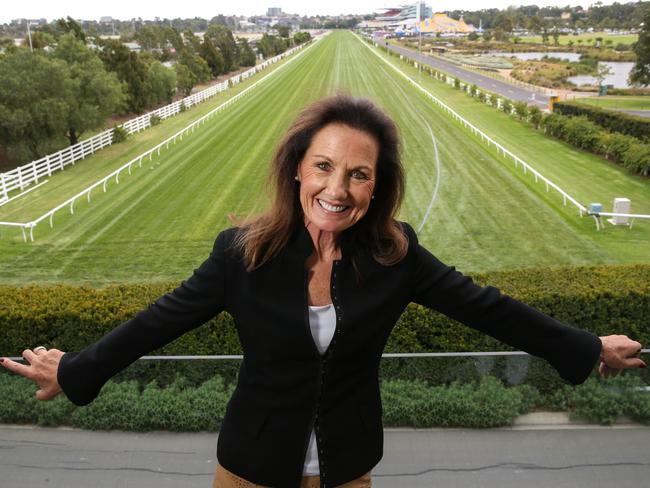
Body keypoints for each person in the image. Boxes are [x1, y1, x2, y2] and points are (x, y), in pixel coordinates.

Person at [1, 94, 645, 488]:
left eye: (358, 174)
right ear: (297, 169)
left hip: (347, 470)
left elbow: (486, 307)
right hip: (249, 469)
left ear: (376, 187)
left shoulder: (398, 255)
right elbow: (156, 322)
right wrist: (77, 372)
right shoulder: (242, 253)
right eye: (324, 167)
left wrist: (586, 349)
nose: (338, 189)